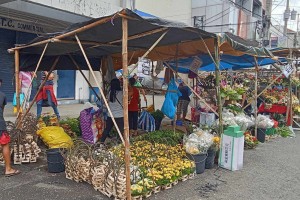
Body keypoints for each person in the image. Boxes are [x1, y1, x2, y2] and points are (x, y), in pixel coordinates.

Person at [0, 79, 21, 176]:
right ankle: (8, 169)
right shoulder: (2, 95)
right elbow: (2, 111)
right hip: (0, 125)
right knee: (5, 144)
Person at [100, 78, 124, 143]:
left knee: (107, 129)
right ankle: (121, 143)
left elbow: (107, 102)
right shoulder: (122, 93)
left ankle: (101, 143)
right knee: (121, 131)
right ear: (118, 84)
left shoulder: (110, 92)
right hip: (120, 115)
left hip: (110, 115)